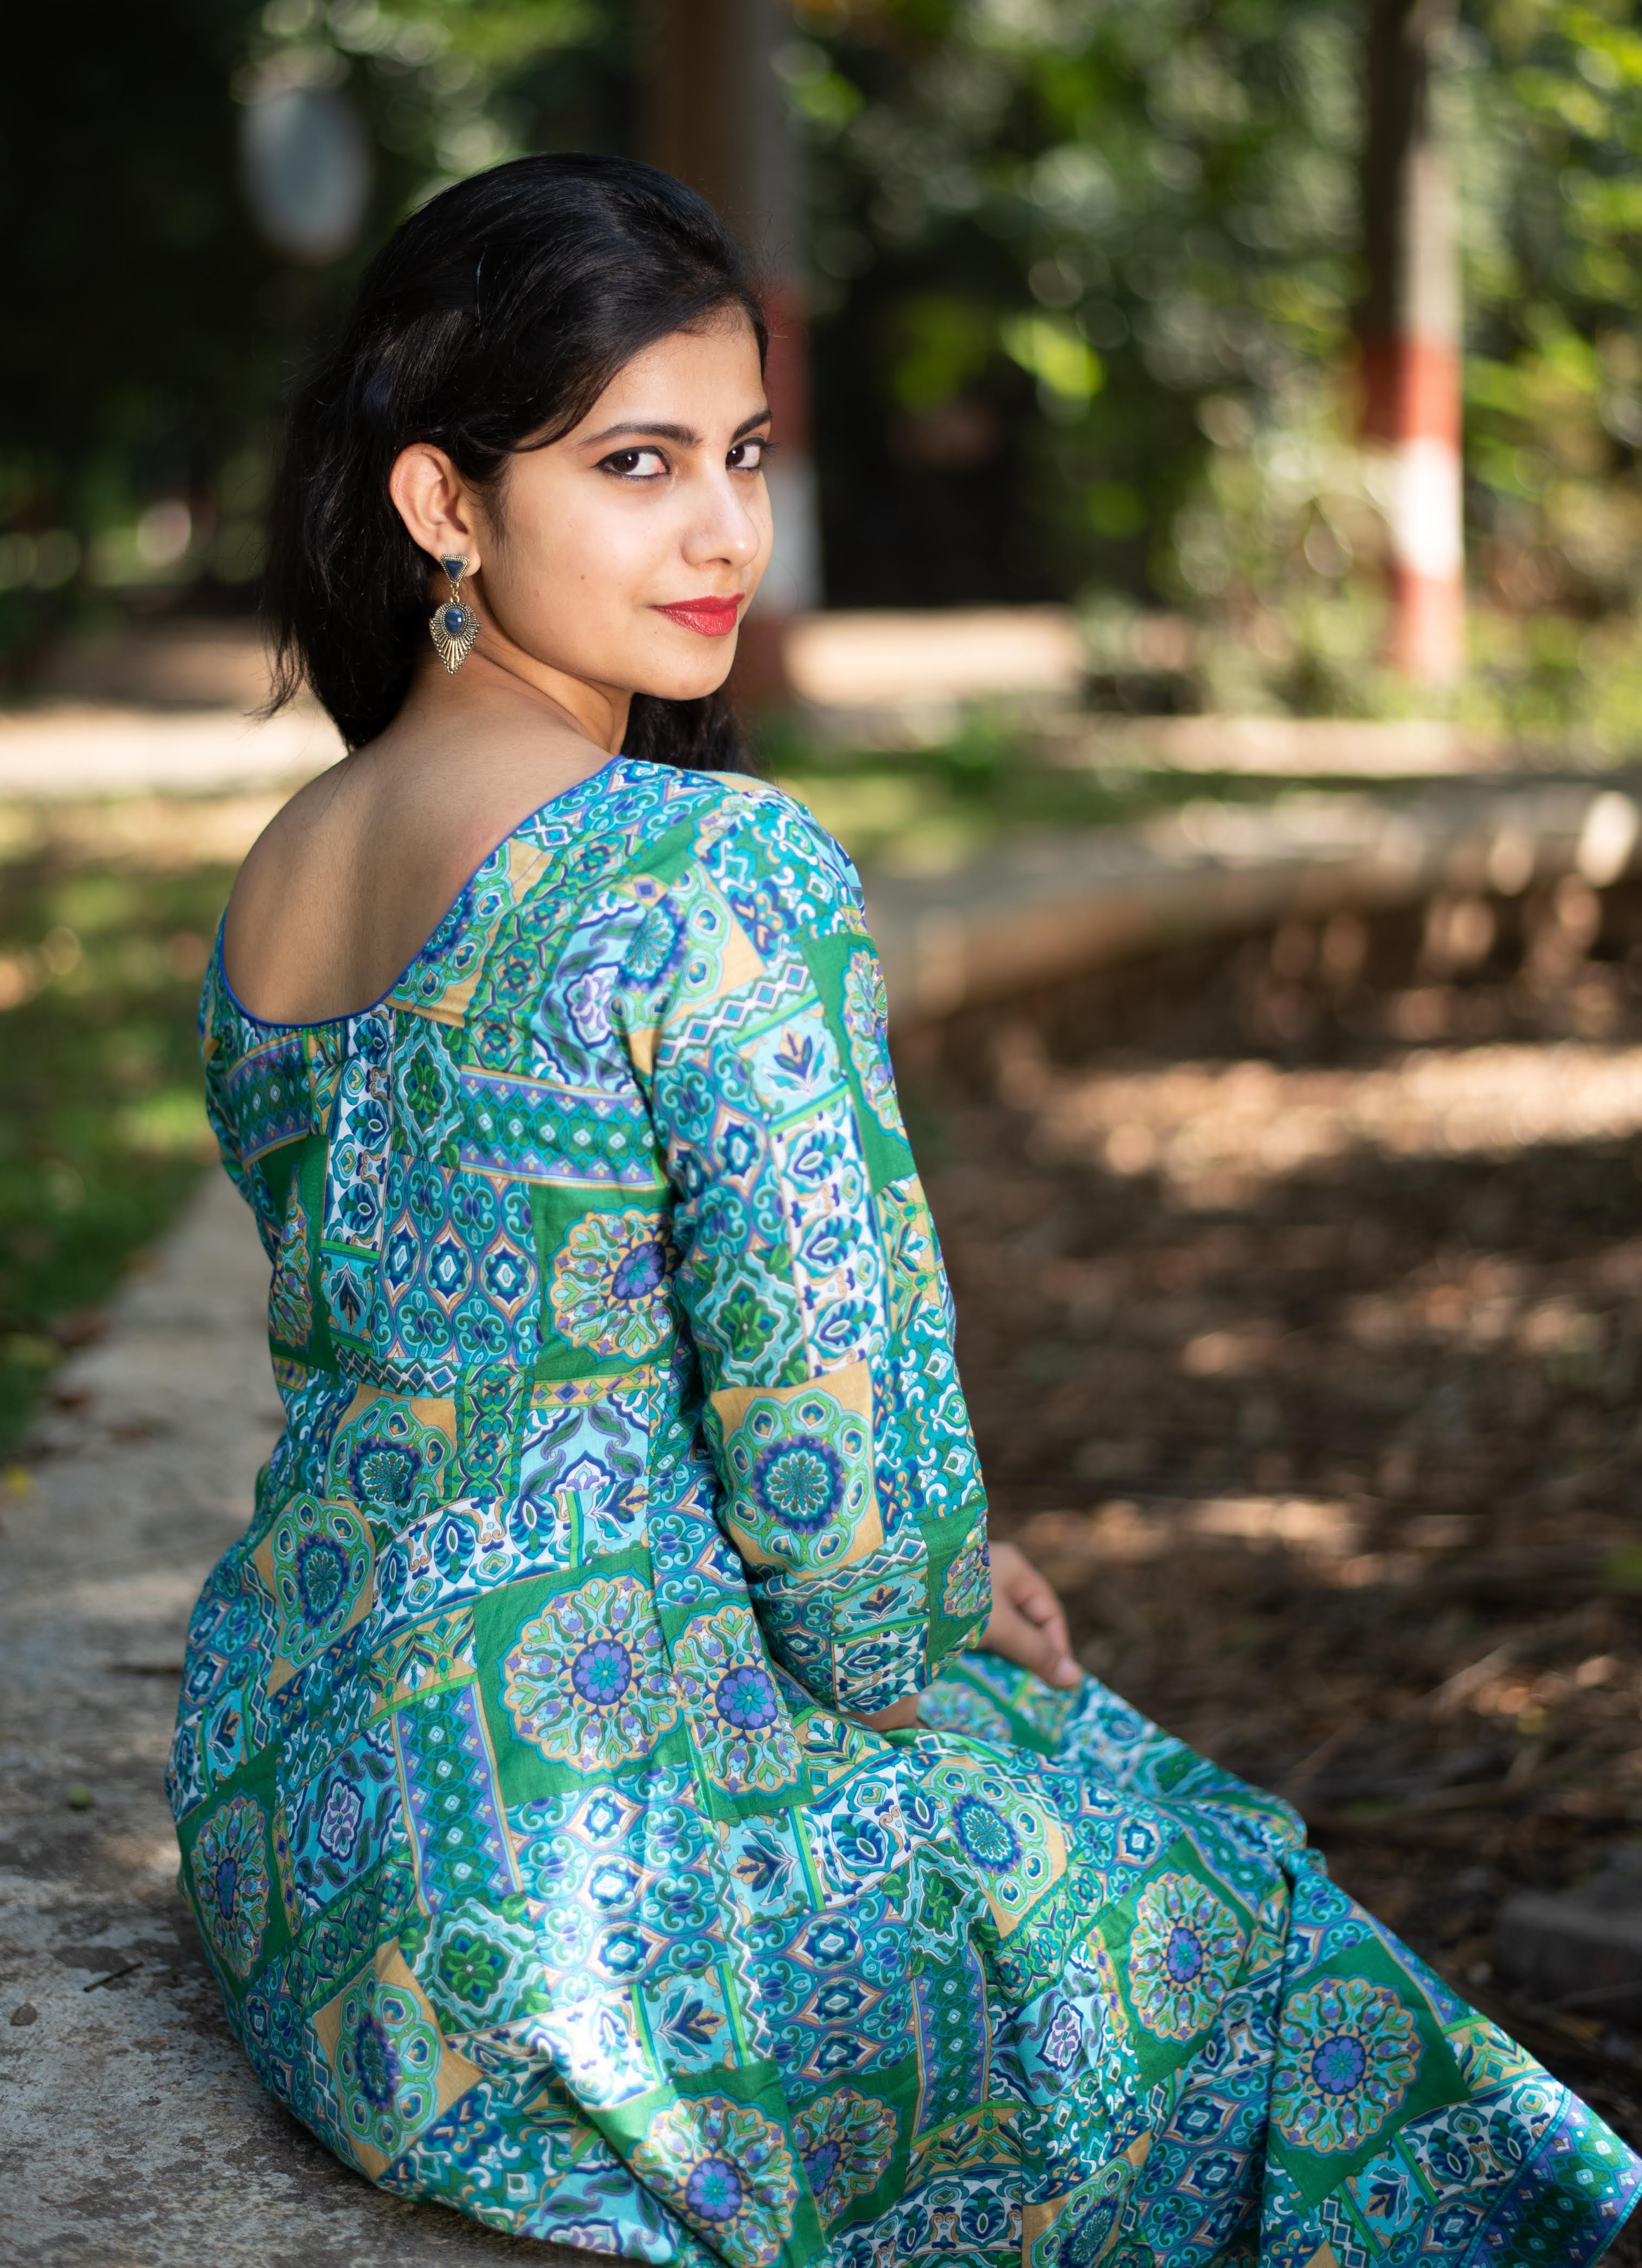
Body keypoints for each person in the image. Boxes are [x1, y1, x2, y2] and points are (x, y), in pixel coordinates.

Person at [172, 153, 1639, 2268]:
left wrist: (940, 1577)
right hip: (588, 1888)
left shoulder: (285, 868)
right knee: (1247, 1952)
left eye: (744, 454)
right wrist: (943, 1608)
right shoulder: (704, 871)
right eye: (635, 462)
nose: (721, 532)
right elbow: (841, 1509)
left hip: (311, 1813)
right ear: (443, 504)